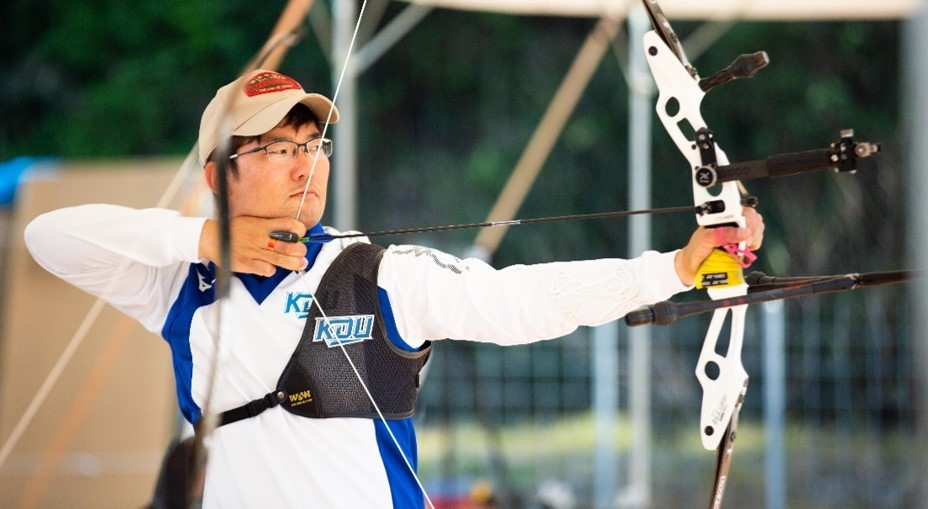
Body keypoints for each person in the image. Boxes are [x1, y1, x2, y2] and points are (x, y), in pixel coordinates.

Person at [23, 69, 764, 508]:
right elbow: (48, 236)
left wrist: (670, 267)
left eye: (313, 145)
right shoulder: (178, 282)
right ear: (219, 173)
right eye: (278, 147)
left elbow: (519, 301)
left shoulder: (378, 274)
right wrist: (206, 237)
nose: (304, 163)